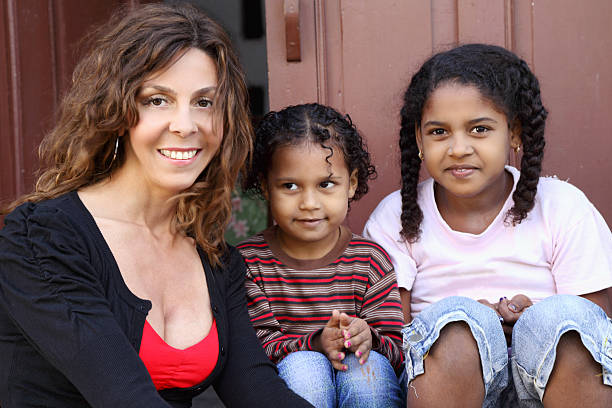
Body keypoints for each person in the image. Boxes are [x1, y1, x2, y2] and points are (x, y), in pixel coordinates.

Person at [0, 4, 313, 408]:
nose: (185, 125)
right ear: (116, 111)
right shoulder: (42, 239)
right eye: (157, 100)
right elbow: (123, 395)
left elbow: (258, 391)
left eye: (204, 103)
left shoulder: (216, 261)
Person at [363, 44, 612, 408]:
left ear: (514, 133)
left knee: (561, 316)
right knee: (457, 324)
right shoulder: (397, 217)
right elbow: (391, 335)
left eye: (479, 129)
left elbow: (592, 326)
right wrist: (474, 324)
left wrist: (533, 317)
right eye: (439, 132)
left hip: (547, 383)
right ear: (418, 138)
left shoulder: (562, 205)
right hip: (451, 382)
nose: (458, 148)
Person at [238, 103, 405, 407]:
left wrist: (369, 337)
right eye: (290, 186)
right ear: (265, 187)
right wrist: (315, 344)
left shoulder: (370, 260)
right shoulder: (249, 262)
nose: (309, 203)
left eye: (325, 184)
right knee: (305, 369)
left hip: (363, 385)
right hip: (291, 385)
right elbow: (253, 353)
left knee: (366, 367)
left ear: (351, 184)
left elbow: (397, 348)